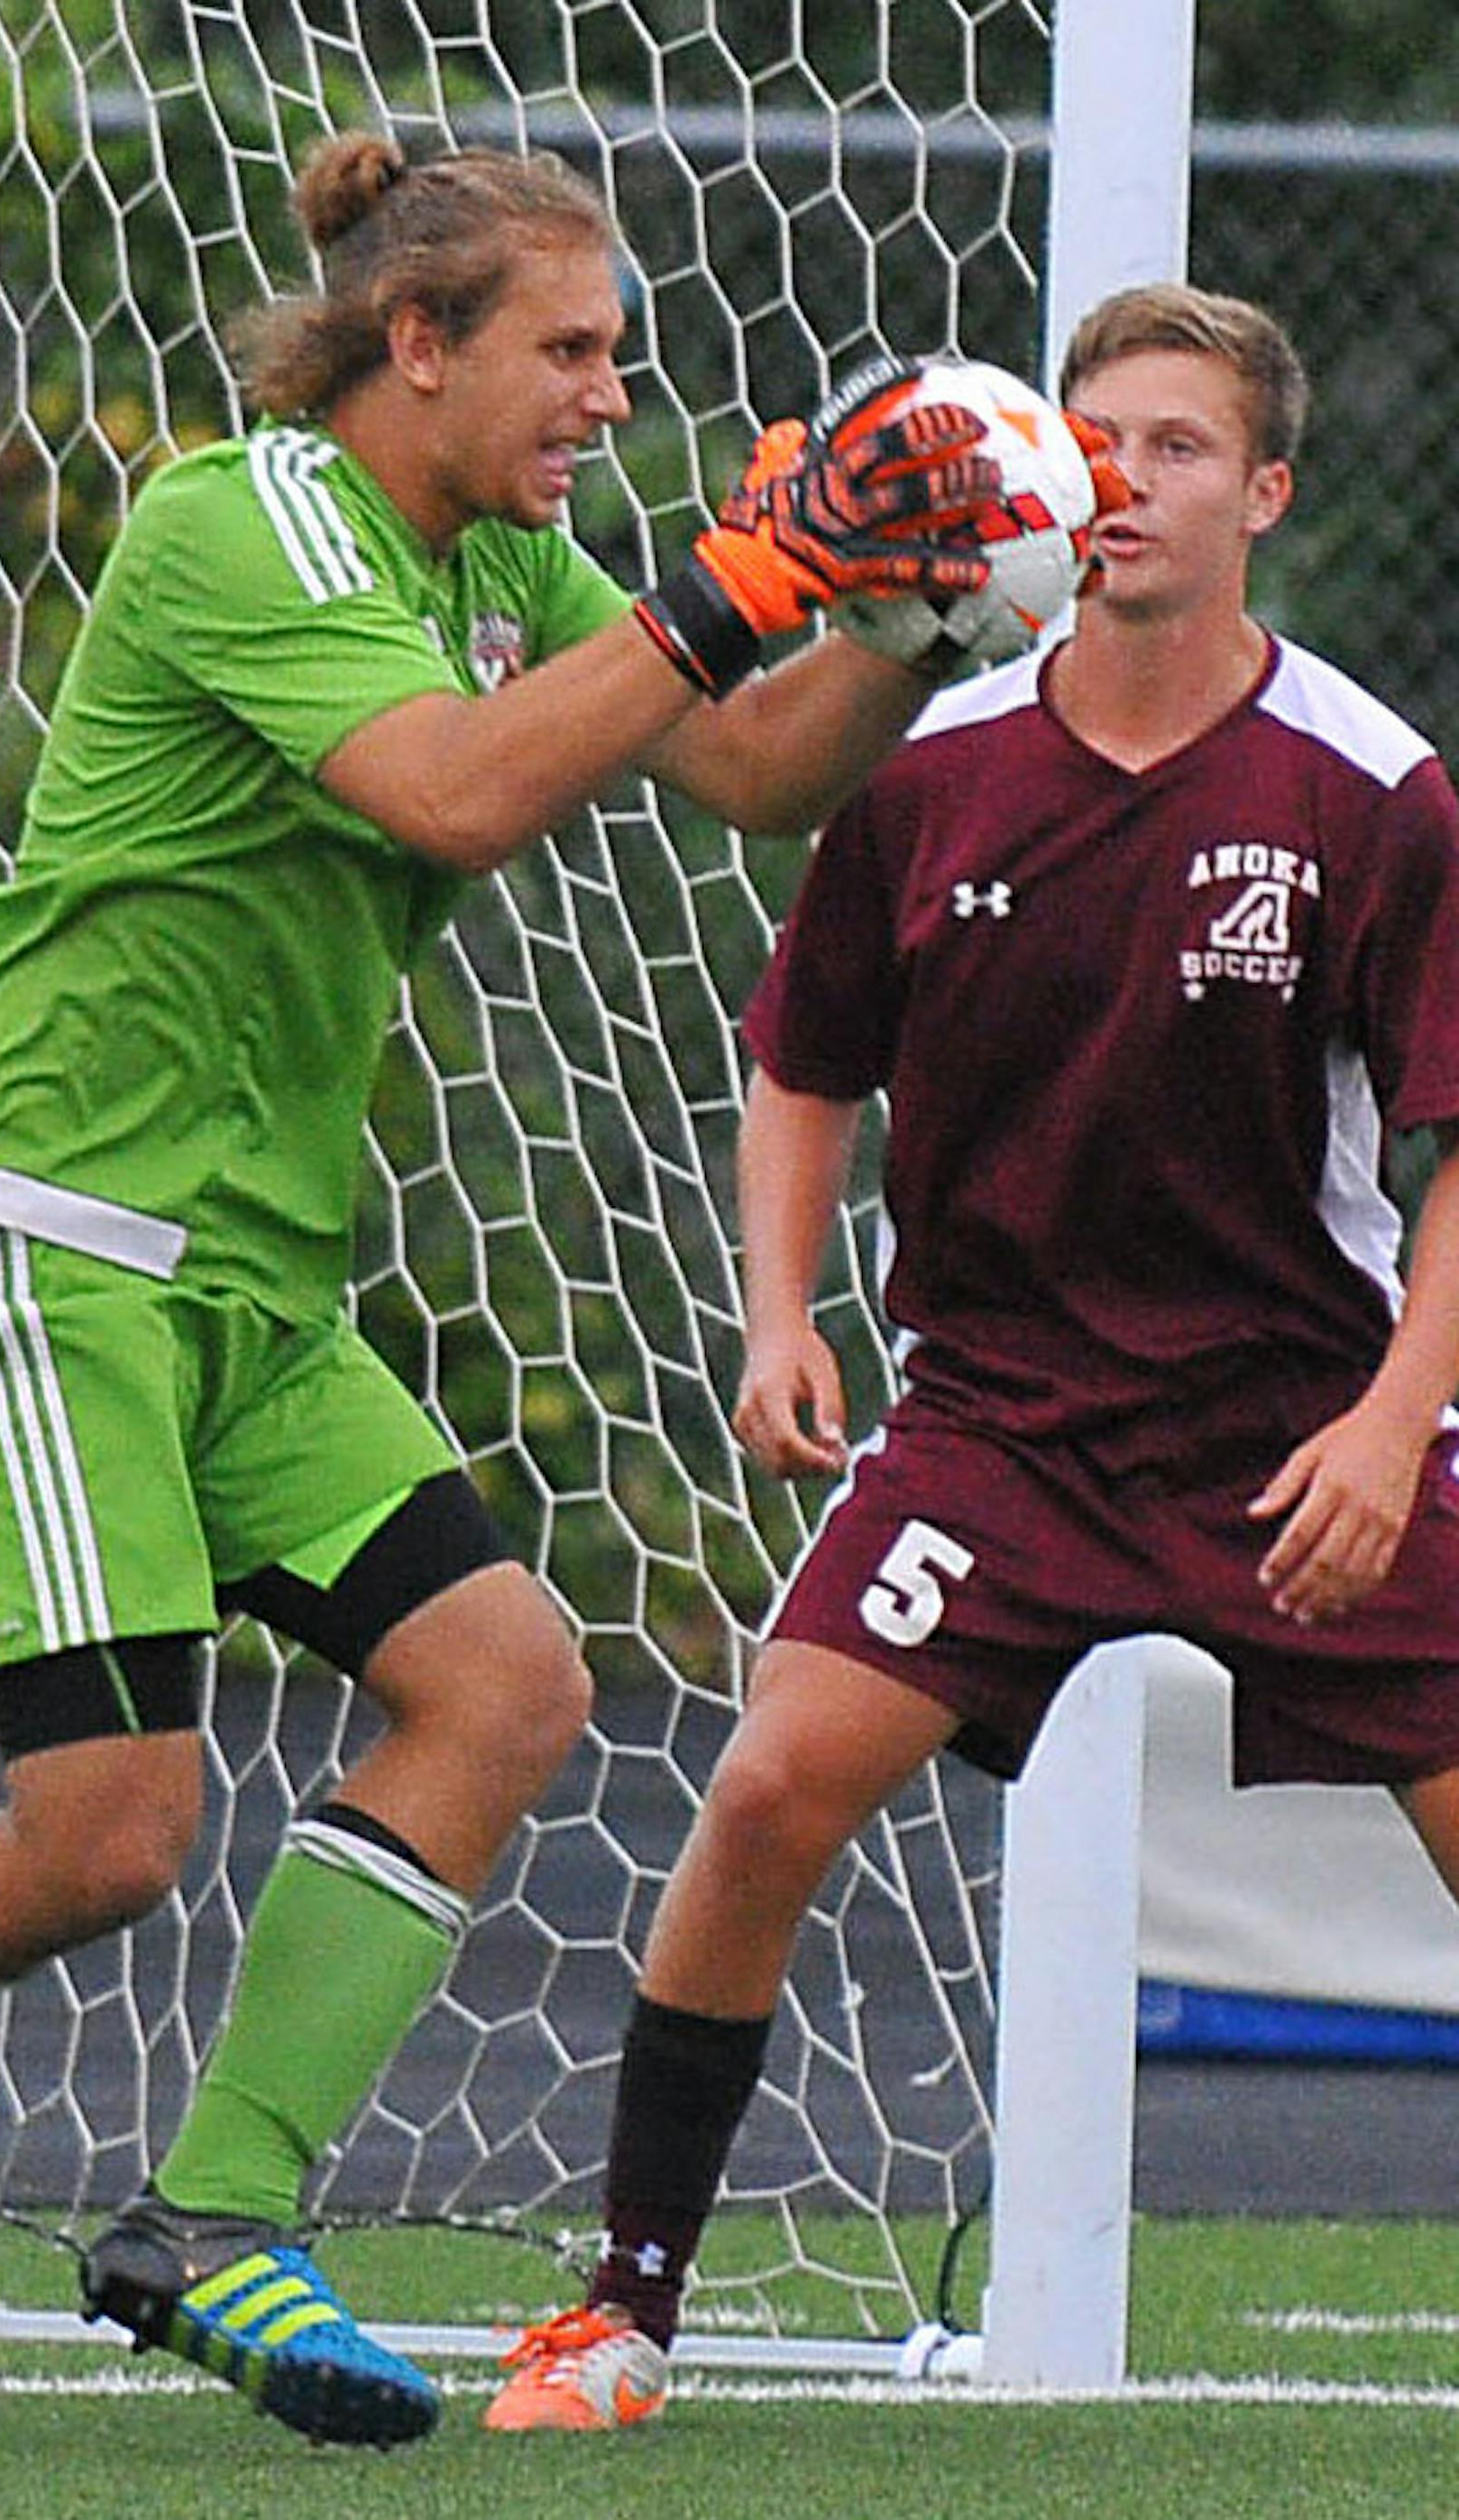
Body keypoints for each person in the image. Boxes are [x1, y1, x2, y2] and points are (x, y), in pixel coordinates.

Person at [0, 132, 1007, 2445]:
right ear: (417, 342)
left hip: (244, 1275)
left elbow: (760, 777)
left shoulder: (519, 557)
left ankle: (209, 2218)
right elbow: (456, 796)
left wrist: (893, 619)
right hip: (30, 1241)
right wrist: (729, 580)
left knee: (506, 1683)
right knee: (111, 1833)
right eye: (567, 350)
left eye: (623, 351)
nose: (609, 390)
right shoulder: (236, 518)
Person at [484, 280, 1459, 2433]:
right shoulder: (928, 760)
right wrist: (778, 1312)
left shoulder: (1369, 784)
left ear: (1270, 492)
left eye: (1181, 446)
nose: (1125, 482)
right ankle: (619, 2311)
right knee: (763, 1791)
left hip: (1297, 1429)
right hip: (998, 1421)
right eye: (1093, 440)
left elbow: (1451, 1145)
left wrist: (1399, 1421)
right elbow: (804, 1057)